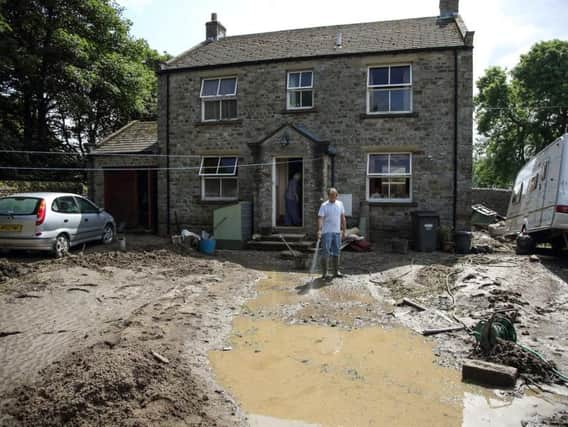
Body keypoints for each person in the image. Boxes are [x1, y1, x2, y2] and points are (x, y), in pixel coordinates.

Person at [317, 188, 346, 280]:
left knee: (337, 252)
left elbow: (342, 218)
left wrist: (344, 230)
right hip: (326, 232)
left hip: (337, 232)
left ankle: (335, 271)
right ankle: (325, 273)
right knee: (325, 252)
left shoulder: (340, 204)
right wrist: (319, 230)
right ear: (328, 196)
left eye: (334, 195)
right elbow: (320, 218)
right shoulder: (324, 205)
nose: (333, 197)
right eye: (331, 195)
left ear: (337, 196)